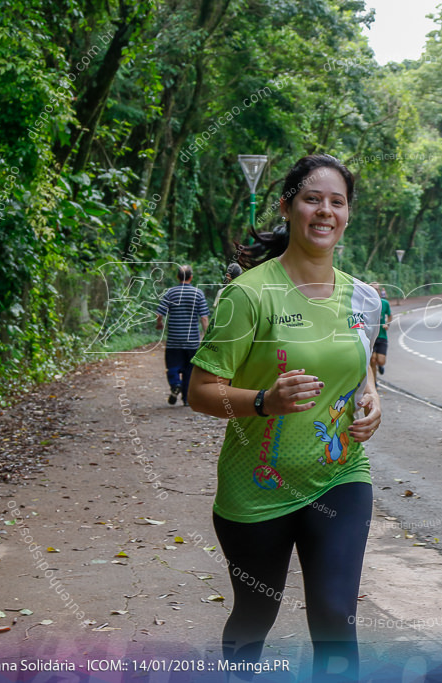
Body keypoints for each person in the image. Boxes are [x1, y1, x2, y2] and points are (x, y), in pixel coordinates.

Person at [187, 154, 382, 681]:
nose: (325, 211)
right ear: (288, 207)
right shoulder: (247, 295)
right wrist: (263, 403)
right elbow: (200, 391)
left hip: (340, 476)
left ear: (347, 214)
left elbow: (361, 369)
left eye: (336, 202)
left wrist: (372, 399)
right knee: (255, 614)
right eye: (311, 199)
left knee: (336, 616)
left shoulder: (364, 298)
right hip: (257, 487)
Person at [155, 264, 210, 406]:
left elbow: (159, 313)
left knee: (173, 366)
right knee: (189, 371)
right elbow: (204, 318)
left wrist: (159, 324)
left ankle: (175, 384)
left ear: (177, 277)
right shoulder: (198, 293)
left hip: (174, 339)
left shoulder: (171, 293)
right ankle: (186, 399)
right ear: (191, 277)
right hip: (192, 340)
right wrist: (206, 335)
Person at [368, 282, 391, 380]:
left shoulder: (384, 303)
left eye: (377, 289)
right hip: (370, 337)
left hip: (382, 335)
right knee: (372, 360)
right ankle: (374, 382)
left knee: (380, 361)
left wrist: (387, 324)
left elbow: (390, 316)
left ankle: (380, 365)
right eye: (373, 289)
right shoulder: (366, 303)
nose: (375, 291)